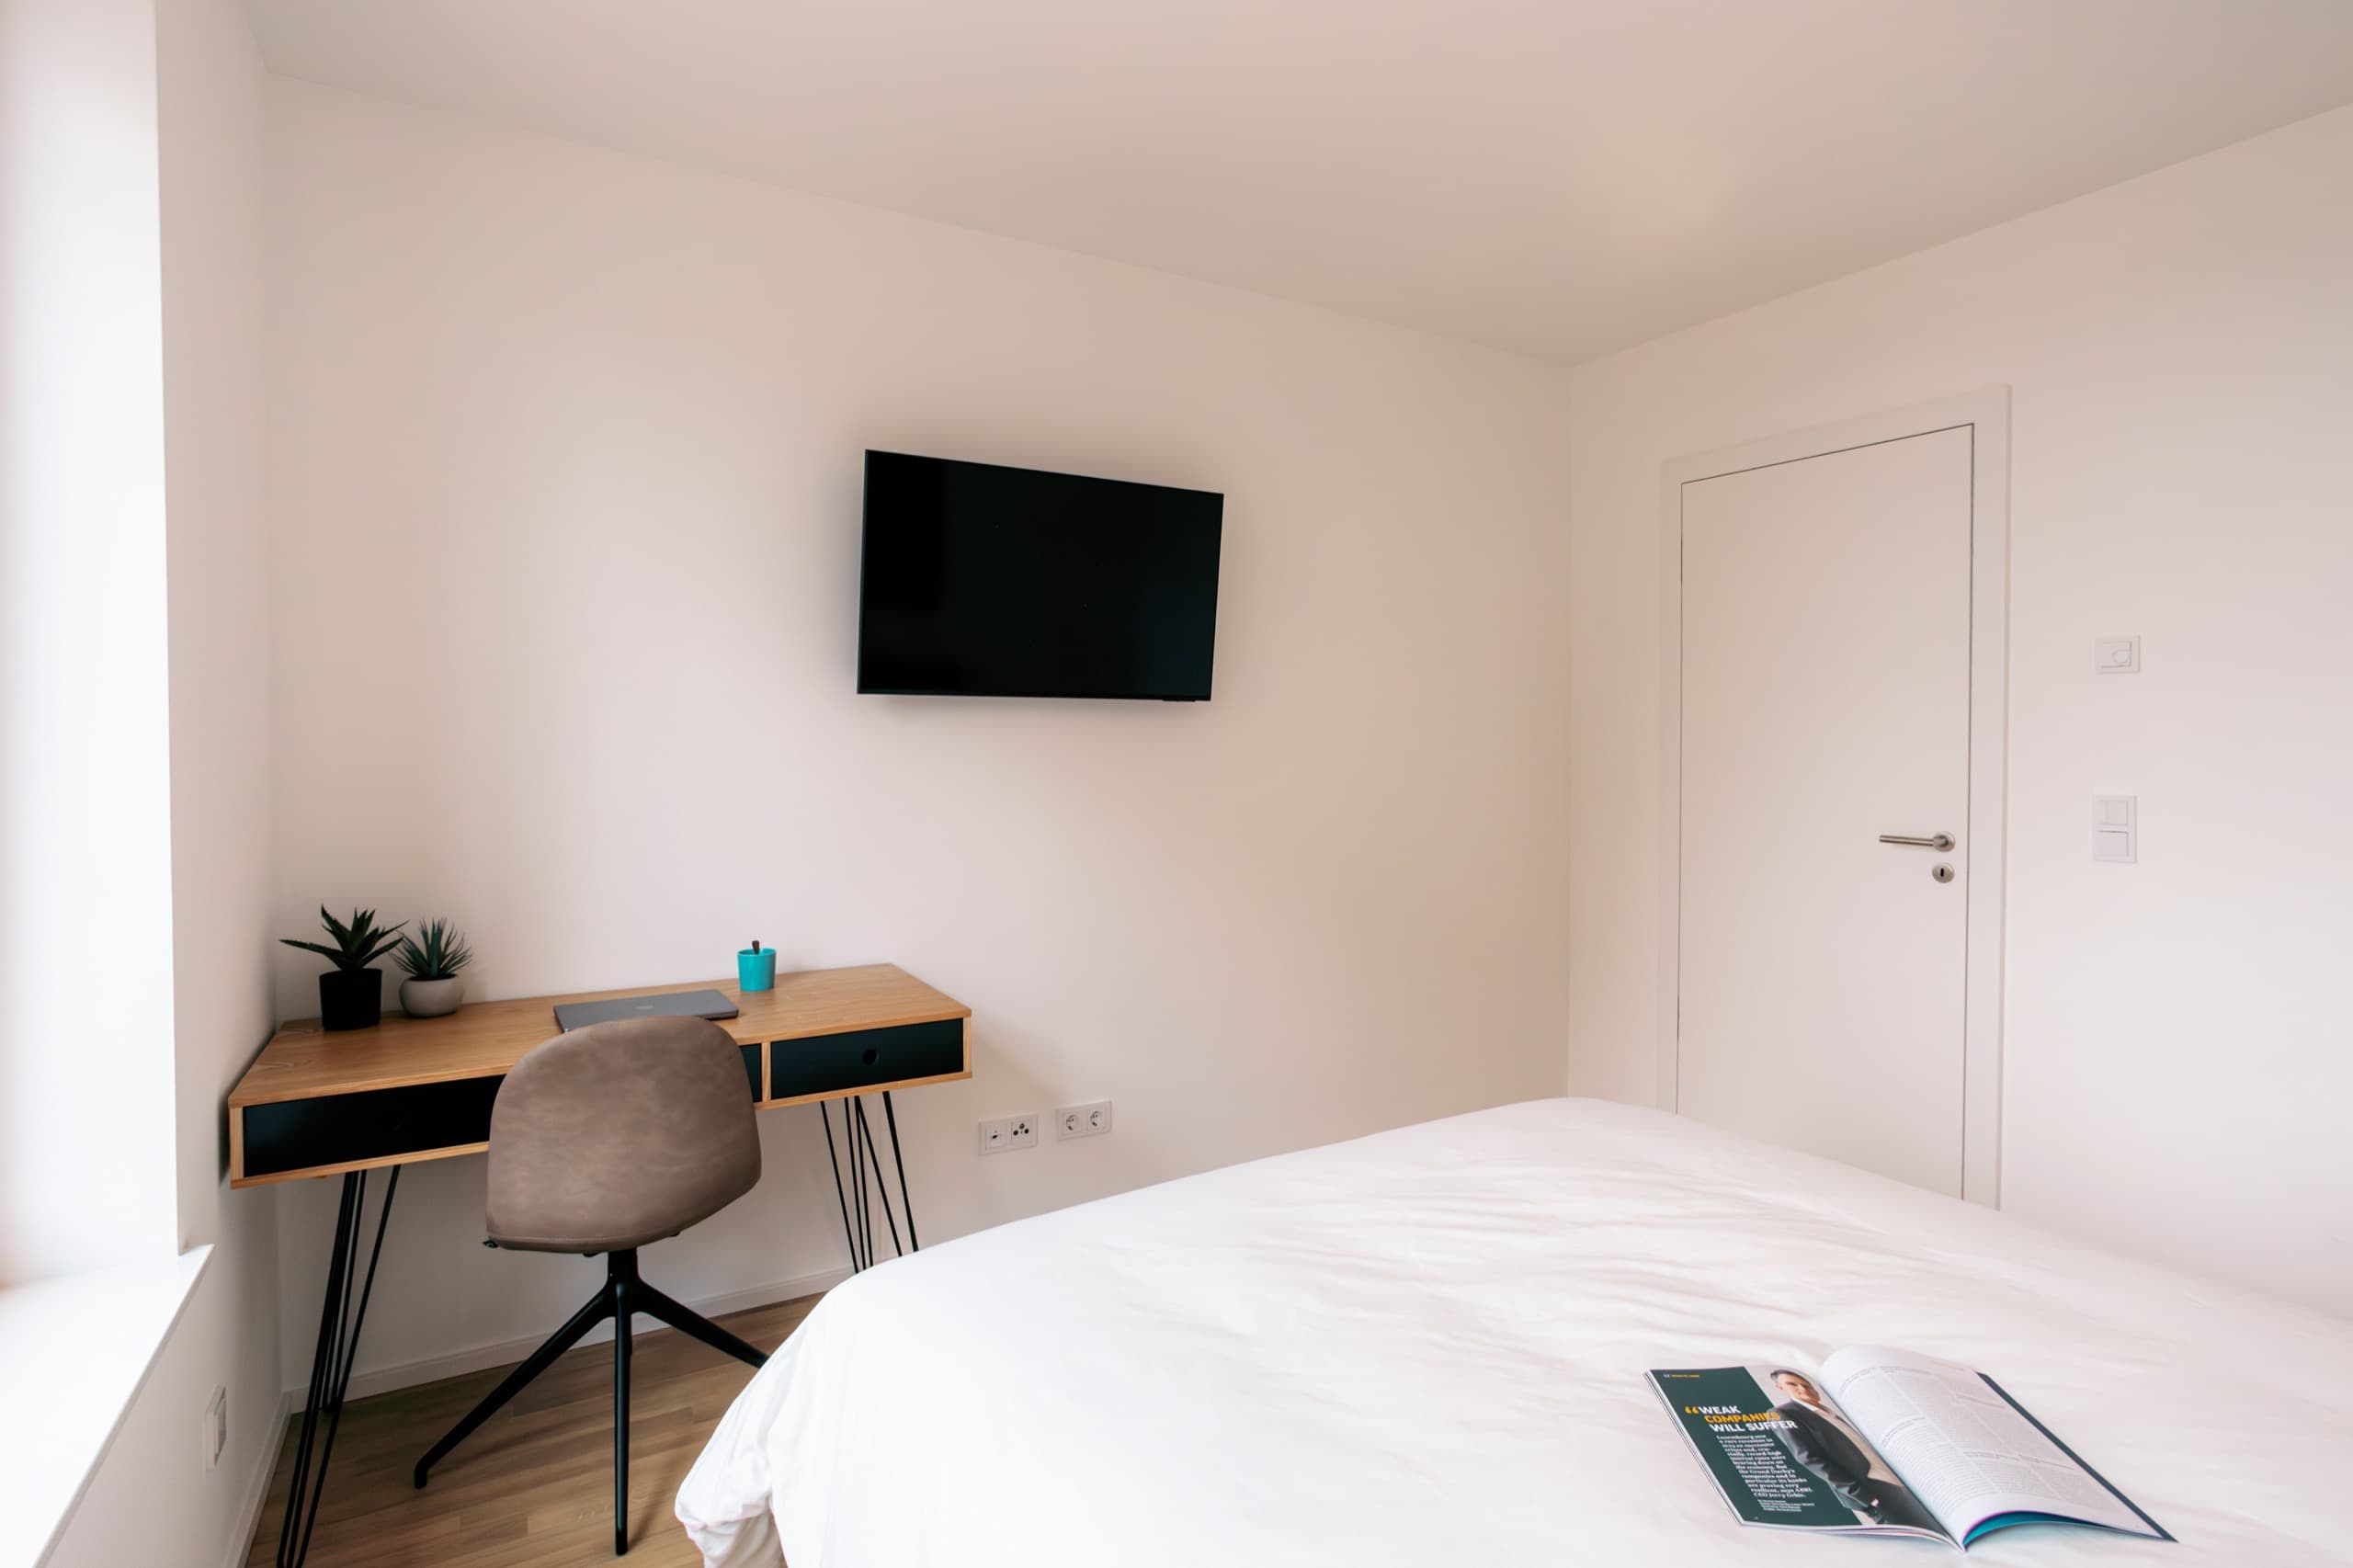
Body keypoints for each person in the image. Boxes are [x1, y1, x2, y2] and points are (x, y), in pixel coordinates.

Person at [1768, 1369, 1941, 1533]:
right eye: (1792, 1384)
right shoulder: (1782, 1413)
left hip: (1898, 1483)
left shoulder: (1831, 1412)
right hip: (1871, 1491)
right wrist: (1862, 1495)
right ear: (1780, 1387)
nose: (1802, 1389)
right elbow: (1809, 1459)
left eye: (1806, 1385)